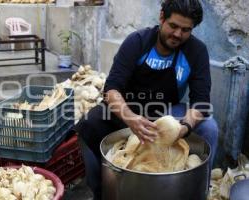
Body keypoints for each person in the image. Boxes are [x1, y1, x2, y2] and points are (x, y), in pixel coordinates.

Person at [75, 0, 219, 199]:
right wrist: (131, 118)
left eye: (186, 30)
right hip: (129, 108)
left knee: (209, 128)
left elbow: (201, 101)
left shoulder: (196, 51)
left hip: (167, 110)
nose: (178, 34)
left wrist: (185, 127)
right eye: (173, 26)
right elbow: (111, 89)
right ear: (161, 17)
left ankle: (196, 190)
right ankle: (102, 190)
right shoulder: (138, 42)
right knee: (90, 123)